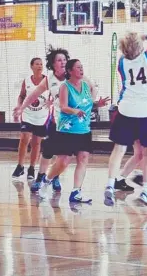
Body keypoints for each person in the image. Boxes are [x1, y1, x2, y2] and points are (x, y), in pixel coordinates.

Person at [105, 14, 147, 208]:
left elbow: (131, 47)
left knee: (119, 149)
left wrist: (137, 39)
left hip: (126, 110)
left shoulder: (121, 62)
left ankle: (110, 185)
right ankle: (146, 190)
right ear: (141, 46)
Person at [41, 59, 109, 203]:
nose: (81, 69)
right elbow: (64, 106)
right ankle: (46, 181)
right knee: (63, 161)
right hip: (67, 130)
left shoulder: (85, 86)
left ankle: (76, 192)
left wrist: (98, 104)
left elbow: (88, 104)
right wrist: (75, 111)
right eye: (78, 67)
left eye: (82, 67)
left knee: (83, 158)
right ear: (70, 71)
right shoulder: (65, 87)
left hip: (84, 130)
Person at [13, 47, 70, 190]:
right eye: (59, 60)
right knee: (45, 150)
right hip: (52, 120)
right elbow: (31, 95)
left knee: (64, 157)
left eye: (64, 60)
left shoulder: (73, 76)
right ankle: (37, 175)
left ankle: (54, 177)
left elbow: (88, 90)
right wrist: (21, 107)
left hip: (68, 122)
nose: (63, 62)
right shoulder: (48, 80)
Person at [11, 58, 51, 180]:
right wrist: (19, 106)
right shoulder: (27, 81)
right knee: (24, 138)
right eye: (37, 64)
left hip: (42, 116)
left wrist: (51, 101)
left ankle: (32, 168)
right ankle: (20, 166)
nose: (39, 66)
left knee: (36, 142)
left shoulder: (48, 80)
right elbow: (21, 96)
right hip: (27, 114)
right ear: (31, 66)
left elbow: (56, 94)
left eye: (41, 64)